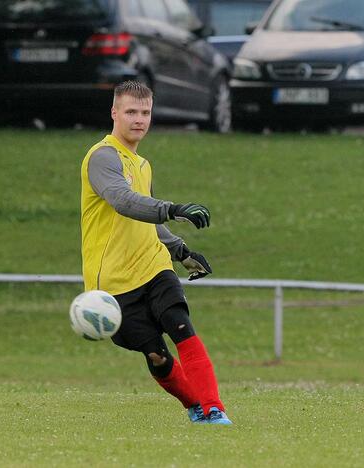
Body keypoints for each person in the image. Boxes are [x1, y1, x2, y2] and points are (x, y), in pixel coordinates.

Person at [80, 80, 231, 425]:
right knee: (157, 356)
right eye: (131, 111)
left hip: (154, 267)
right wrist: (174, 208)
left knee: (182, 328)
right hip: (114, 283)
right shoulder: (102, 157)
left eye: (145, 112)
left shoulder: (142, 164)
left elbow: (147, 220)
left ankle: (214, 408)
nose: (139, 119)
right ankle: (195, 405)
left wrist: (180, 250)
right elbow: (124, 202)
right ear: (114, 113)